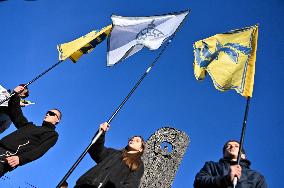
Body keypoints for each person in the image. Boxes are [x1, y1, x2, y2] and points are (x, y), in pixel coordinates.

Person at [0, 85, 61, 177]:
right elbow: (16, 112)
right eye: (47, 112)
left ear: (58, 120)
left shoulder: (52, 134)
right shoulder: (29, 126)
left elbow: (40, 150)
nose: (48, 114)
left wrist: (21, 159)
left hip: (5, 159)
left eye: (52, 114)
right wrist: (15, 94)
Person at [75, 122, 145, 188]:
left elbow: (132, 184)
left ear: (141, 149)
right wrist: (101, 133)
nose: (132, 140)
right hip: (85, 184)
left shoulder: (138, 164)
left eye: (137, 141)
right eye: (132, 139)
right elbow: (95, 150)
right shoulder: (113, 152)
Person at [194, 140, 267, 188]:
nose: (232, 146)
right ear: (224, 154)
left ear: (243, 155)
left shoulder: (256, 176)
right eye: (228, 146)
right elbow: (198, 182)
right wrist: (225, 180)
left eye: (236, 146)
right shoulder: (212, 166)